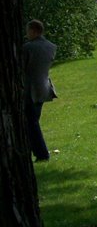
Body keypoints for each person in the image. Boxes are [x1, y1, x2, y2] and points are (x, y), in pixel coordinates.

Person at [22, 19, 58, 162]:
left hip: (31, 89)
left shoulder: (28, 48)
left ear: (34, 31)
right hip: (44, 87)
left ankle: (42, 153)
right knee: (33, 121)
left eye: (28, 31)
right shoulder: (51, 46)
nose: (27, 34)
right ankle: (35, 151)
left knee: (31, 123)